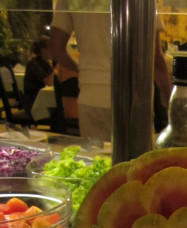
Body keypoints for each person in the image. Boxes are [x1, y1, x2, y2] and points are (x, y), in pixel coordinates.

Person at [49, 1, 172, 142]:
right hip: (134, 96)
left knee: (98, 155)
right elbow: (155, 61)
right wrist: (171, 101)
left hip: (92, 95)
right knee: (136, 155)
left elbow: (55, 50)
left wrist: (86, 72)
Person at [23, 36, 54, 117]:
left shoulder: (46, 64)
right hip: (33, 104)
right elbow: (49, 82)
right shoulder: (34, 64)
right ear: (43, 50)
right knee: (60, 111)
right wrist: (57, 66)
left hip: (43, 101)